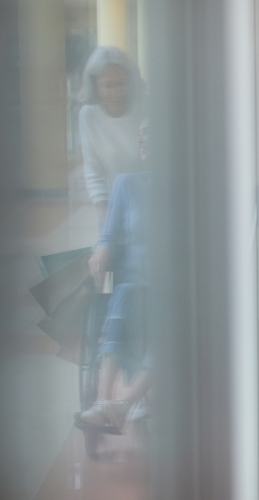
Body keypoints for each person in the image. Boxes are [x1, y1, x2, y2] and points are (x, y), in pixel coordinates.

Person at [75, 119, 152, 432]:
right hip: (133, 283)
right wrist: (102, 249)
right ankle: (103, 402)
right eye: (143, 138)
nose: (146, 143)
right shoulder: (127, 183)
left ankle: (124, 403)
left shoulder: (189, 188)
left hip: (174, 287)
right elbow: (109, 234)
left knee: (174, 320)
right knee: (122, 294)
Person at [78, 46, 144, 223]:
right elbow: (93, 169)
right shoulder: (89, 115)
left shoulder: (144, 109)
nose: (116, 92)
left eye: (122, 83)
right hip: (111, 204)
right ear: (95, 85)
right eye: (108, 85)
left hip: (147, 202)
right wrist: (108, 219)